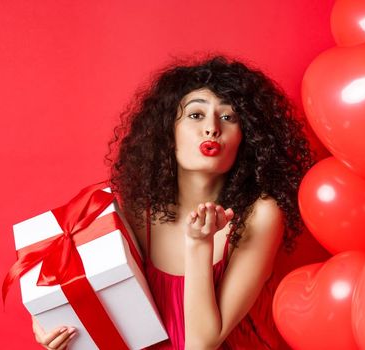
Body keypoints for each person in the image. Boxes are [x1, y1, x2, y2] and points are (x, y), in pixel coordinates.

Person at [32, 56, 313, 350]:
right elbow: (101, 304)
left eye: (229, 118)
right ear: (168, 131)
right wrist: (53, 318)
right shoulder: (138, 213)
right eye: (195, 115)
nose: (212, 128)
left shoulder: (260, 214)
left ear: (246, 138)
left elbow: (201, 344)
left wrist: (198, 245)